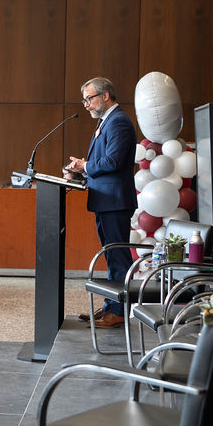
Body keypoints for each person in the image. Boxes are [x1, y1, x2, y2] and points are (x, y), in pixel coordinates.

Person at [64, 77, 137, 329]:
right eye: (84, 100)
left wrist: (86, 166)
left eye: (89, 98)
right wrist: (81, 171)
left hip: (115, 201)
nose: (86, 105)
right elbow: (103, 163)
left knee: (118, 257)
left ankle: (118, 312)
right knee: (111, 256)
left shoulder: (118, 122)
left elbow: (113, 162)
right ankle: (110, 307)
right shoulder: (106, 122)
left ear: (105, 96)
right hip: (106, 200)